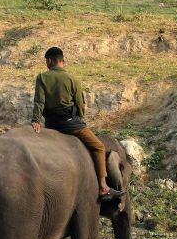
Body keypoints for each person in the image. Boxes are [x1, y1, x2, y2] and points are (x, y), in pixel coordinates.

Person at [31, 47, 123, 201]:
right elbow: (80, 104)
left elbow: (39, 101)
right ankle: (103, 186)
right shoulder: (72, 78)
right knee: (99, 147)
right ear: (61, 60)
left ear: (50, 60)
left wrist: (36, 120)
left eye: (46, 61)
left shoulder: (42, 77)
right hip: (70, 124)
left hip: (52, 124)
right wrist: (79, 118)